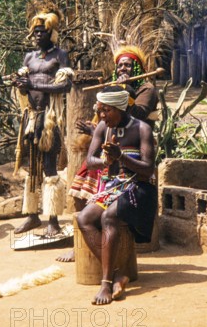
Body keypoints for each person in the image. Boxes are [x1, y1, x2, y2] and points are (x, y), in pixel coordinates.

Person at [57, 45, 158, 262]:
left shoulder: (146, 88)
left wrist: (126, 91)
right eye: (120, 65)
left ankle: (114, 261)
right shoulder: (111, 91)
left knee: (111, 209)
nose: (124, 68)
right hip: (109, 154)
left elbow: (136, 115)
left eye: (128, 65)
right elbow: (106, 120)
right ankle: (84, 243)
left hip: (133, 154)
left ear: (138, 67)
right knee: (84, 182)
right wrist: (97, 136)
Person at [77, 86, 157, 305]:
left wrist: (121, 156)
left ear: (121, 108)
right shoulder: (103, 127)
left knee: (108, 217)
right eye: (100, 110)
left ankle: (105, 283)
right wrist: (106, 161)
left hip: (139, 190)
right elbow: (90, 159)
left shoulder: (142, 129)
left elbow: (148, 169)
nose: (101, 115)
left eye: (106, 110)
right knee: (83, 218)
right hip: (112, 188)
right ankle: (117, 274)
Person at [13, 10, 73, 235]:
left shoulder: (60, 55)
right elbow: (24, 84)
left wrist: (34, 86)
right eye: (35, 32)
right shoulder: (29, 57)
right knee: (32, 167)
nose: (37, 36)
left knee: (49, 166)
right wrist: (20, 84)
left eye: (42, 32)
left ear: (51, 33)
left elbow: (65, 86)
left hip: (50, 117)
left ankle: (54, 221)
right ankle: (31, 216)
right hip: (31, 115)